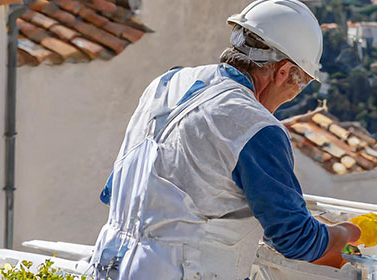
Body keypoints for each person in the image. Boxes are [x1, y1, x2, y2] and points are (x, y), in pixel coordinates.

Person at [89, 1, 360, 279]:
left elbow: (123, 189)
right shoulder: (255, 125)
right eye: (297, 85)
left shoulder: (167, 83)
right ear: (283, 72)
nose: (289, 98)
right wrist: (346, 232)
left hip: (111, 265)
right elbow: (295, 238)